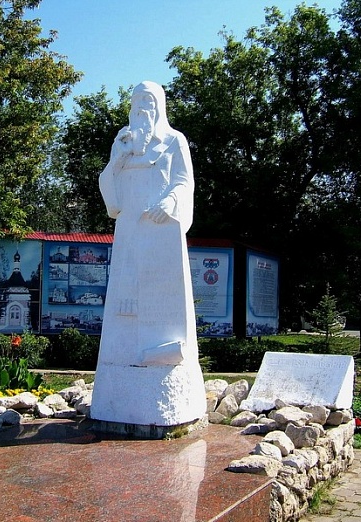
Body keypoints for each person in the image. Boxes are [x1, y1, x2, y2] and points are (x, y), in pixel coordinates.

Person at [90, 81, 206, 429]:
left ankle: (162, 352)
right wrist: (120, 157)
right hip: (129, 230)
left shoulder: (173, 141)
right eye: (136, 101)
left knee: (160, 301)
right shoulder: (123, 143)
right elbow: (109, 189)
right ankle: (123, 363)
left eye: (149, 101)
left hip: (161, 231)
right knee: (126, 298)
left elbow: (184, 181)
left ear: (160, 107)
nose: (142, 108)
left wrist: (170, 202)